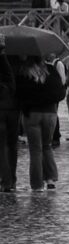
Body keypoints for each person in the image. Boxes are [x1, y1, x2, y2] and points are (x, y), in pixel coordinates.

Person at [15, 56, 65, 191]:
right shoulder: (51, 70)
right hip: (50, 113)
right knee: (47, 146)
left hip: (32, 114)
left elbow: (18, 94)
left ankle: (37, 185)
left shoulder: (24, 72)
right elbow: (61, 92)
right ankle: (50, 179)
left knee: (35, 150)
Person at [0, 35, 18, 192]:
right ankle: (11, 179)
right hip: (12, 109)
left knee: (2, 147)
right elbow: (11, 83)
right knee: (12, 146)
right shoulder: (15, 63)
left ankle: (6, 181)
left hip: (4, 110)